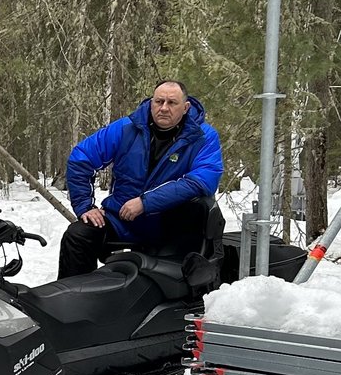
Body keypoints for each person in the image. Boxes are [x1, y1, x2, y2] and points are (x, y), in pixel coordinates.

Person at [60, 79, 224, 279]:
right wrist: (85, 206)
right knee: (77, 235)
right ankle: (74, 299)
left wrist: (145, 203)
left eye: (172, 103)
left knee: (196, 216)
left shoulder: (204, 136)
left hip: (172, 224)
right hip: (122, 218)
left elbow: (202, 181)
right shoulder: (127, 128)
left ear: (185, 107)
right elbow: (80, 158)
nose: (164, 108)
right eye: (159, 101)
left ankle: (184, 303)